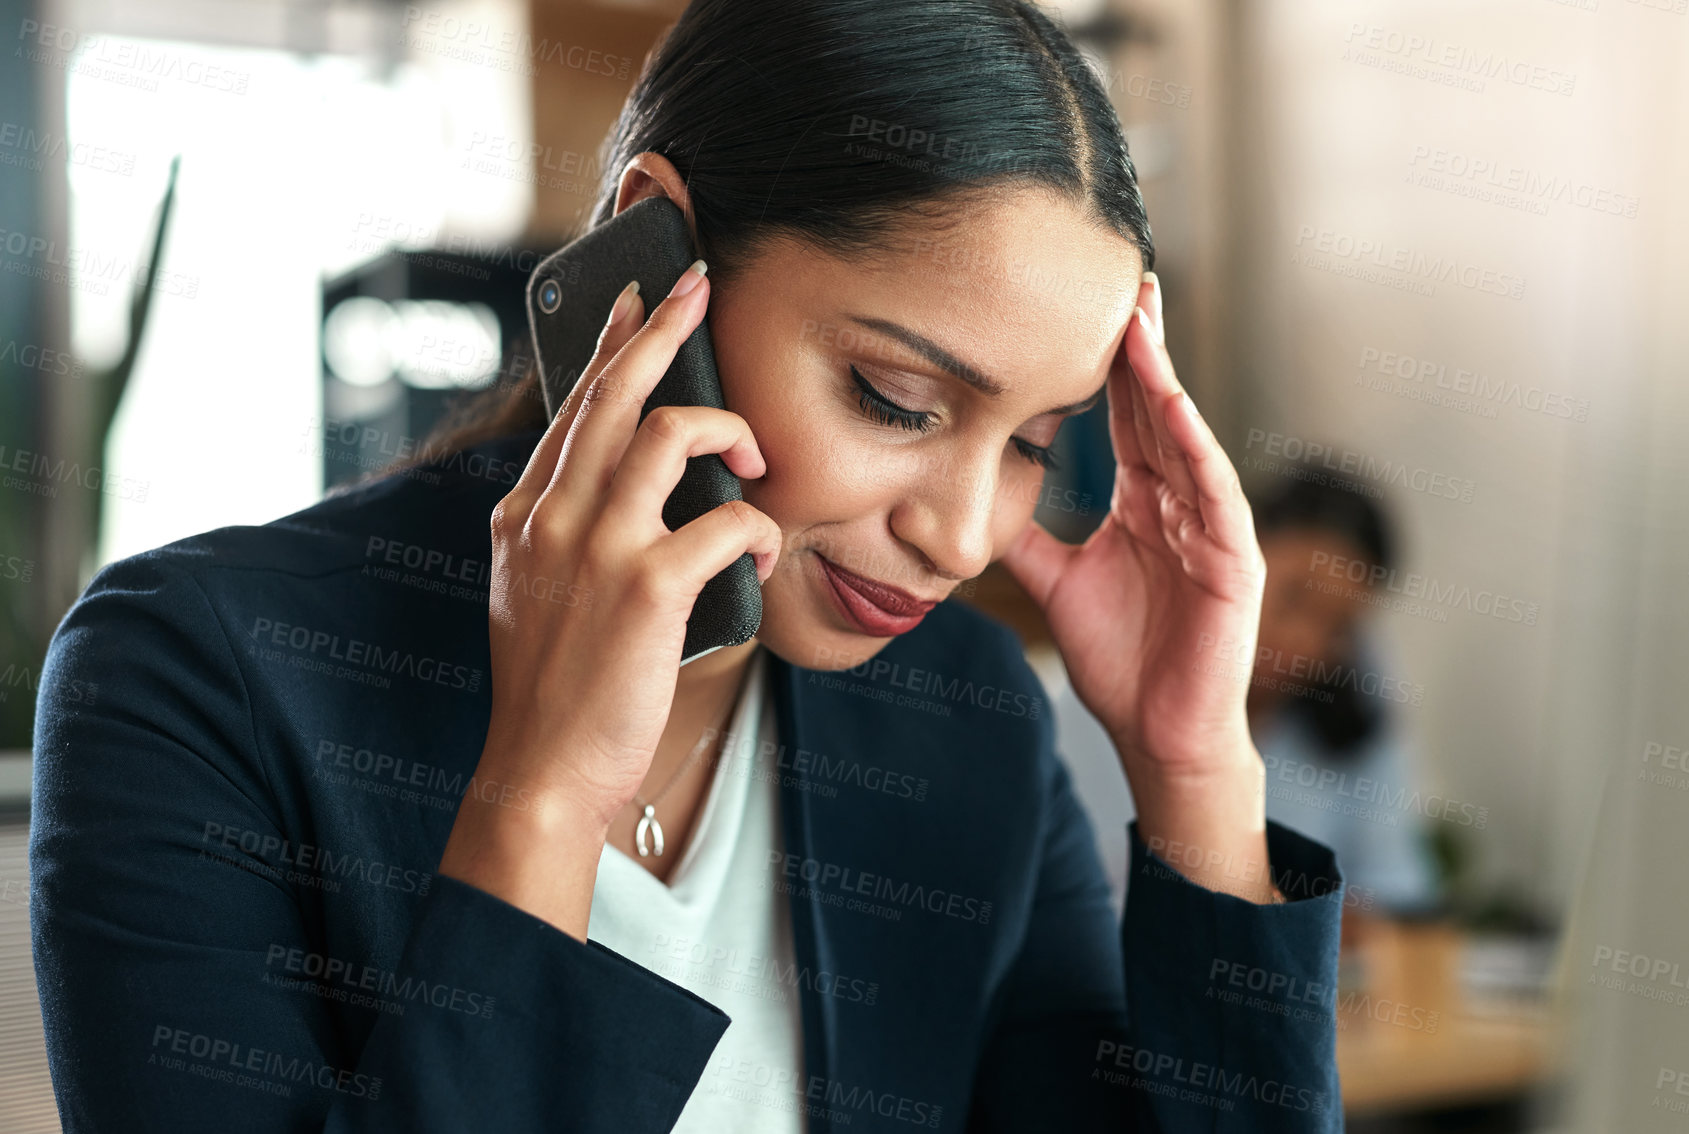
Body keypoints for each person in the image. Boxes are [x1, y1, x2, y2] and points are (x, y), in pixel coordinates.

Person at [29, 2, 1346, 1130]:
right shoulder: (189, 681)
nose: (958, 536)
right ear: (645, 265)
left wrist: (1194, 772)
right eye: (894, 397)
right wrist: (540, 801)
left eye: (1033, 444)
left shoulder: (962, 710)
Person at [1245, 472, 1444, 920]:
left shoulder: (1355, 704)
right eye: (1292, 599)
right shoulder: (1111, 695)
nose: (1303, 642)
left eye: (1336, 626)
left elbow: (1399, 891)